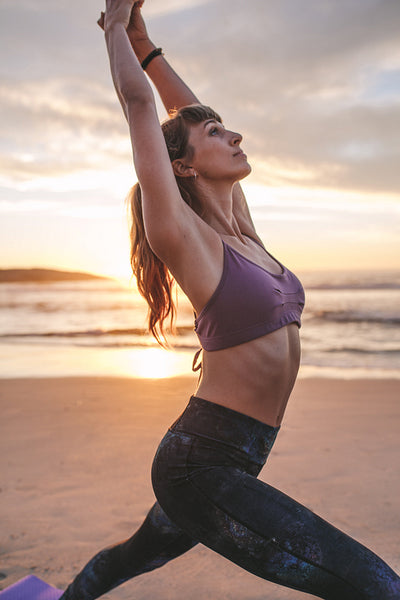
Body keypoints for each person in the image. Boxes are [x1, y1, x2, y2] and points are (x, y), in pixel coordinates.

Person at [59, 1, 400, 598]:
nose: (233, 133)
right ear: (184, 167)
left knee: (131, 558)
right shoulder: (185, 239)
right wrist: (114, 25)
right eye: (215, 135)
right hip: (202, 465)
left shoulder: (242, 230)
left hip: (234, 459)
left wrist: (147, 44)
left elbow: (182, 111)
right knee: (375, 586)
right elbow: (144, 109)